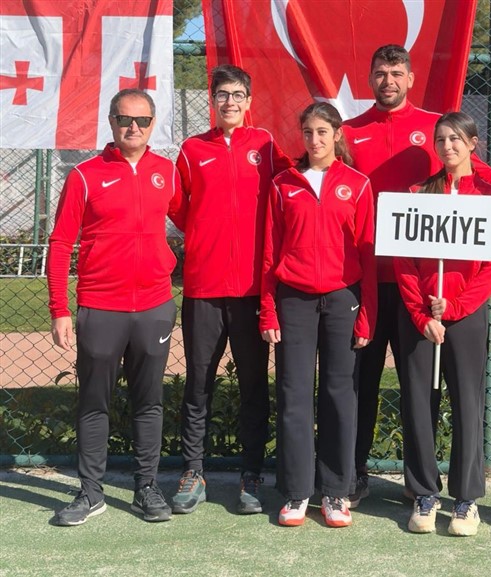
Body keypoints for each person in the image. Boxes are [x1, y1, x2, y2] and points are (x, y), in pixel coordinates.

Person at [343, 44, 491, 506]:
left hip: (422, 289)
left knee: (425, 387)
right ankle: (354, 474)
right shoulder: (349, 131)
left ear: (411, 78)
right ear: (370, 78)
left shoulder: (435, 129)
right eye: (380, 73)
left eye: (396, 73)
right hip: (367, 281)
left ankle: (426, 483)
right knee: (361, 383)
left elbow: (480, 179)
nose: (388, 81)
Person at [48, 88, 179, 525]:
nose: (133, 127)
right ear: (111, 122)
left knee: (149, 401)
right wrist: (59, 308)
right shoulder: (84, 175)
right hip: (101, 307)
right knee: (93, 402)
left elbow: (194, 220)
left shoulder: (167, 172)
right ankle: (91, 492)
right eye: (125, 119)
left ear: (153, 125)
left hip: (155, 306)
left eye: (142, 120)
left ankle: (147, 487)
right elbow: (60, 242)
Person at [168, 64, 291, 515]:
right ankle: (193, 471)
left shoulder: (266, 145)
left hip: (253, 290)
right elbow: (178, 206)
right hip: (203, 287)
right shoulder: (191, 149)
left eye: (238, 94)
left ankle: (251, 473)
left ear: (249, 101)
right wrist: (206, 234)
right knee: (198, 383)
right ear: (213, 100)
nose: (230, 102)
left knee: (254, 386)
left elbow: (286, 193)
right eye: (222, 94)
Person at [260, 102, 377, 528]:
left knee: (339, 395)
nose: (315, 140)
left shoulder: (358, 185)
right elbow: (270, 251)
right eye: (308, 132)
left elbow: (367, 253)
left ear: (337, 134)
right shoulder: (283, 185)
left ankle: (335, 491)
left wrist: (366, 316)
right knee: (293, 394)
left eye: (323, 132)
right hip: (294, 300)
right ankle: (296, 492)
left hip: (343, 299)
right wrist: (268, 309)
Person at [393, 112, 491, 536]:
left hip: (464, 315)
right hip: (421, 317)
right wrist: (421, 314)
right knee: (418, 401)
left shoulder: (489, 197)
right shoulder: (417, 193)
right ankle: (424, 492)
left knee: (467, 403)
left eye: (456, 138)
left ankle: (466, 498)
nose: (448, 146)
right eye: (441, 139)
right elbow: (403, 261)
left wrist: (455, 307)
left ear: (473, 143)